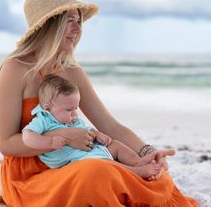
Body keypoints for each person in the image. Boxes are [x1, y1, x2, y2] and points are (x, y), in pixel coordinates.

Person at [0, 0, 200, 207]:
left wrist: (147, 153)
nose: (77, 30)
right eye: (69, 21)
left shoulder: (73, 72)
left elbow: (111, 127)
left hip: (77, 162)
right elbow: (6, 144)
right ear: (49, 25)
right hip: (31, 177)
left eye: (79, 22)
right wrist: (65, 137)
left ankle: (125, 176)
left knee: (157, 178)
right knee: (96, 172)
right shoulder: (15, 69)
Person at [22, 74, 172, 180]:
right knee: (106, 165)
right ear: (47, 108)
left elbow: (88, 129)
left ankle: (139, 162)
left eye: (76, 108)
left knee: (116, 145)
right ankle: (137, 171)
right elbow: (27, 136)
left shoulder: (72, 119)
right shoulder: (43, 120)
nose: (74, 113)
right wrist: (50, 142)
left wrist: (98, 134)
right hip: (77, 161)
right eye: (69, 110)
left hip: (91, 151)